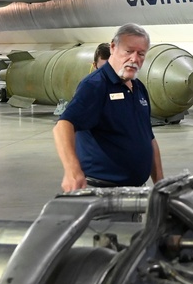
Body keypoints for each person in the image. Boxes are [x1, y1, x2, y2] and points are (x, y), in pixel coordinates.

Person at [54, 23, 164, 191]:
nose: (134, 59)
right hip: (103, 193)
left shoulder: (139, 88)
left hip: (135, 191)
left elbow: (149, 138)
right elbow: (63, 127)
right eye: (128, 51)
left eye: (141, 54)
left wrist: (161, 183)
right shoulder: (95, 85)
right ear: (113, 47)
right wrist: (72, 171)